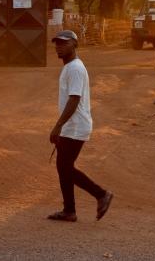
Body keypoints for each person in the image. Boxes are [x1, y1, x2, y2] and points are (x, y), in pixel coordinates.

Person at [47, 29, 113, 223]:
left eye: (64, 43)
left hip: (75, 126)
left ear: (75, 45)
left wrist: (58, 126)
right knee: (64, 166)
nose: (59, 46)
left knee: (65, 166)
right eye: (57, 43)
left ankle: (101, 194)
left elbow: (74, 99)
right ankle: (70, 210)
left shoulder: (75, 68)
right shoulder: (70, 67)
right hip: (73, 125)